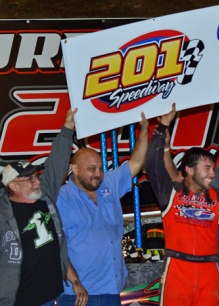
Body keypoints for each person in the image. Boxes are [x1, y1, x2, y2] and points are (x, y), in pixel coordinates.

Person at [144, 104, 219, 306]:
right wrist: (162, 127)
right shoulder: (171, 192)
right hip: (177, 270)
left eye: (213, 168)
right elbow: (151, 164)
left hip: (209, 271)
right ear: (190, 170)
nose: (213, 173)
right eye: (207, 168)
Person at [56, 113, 149, 306]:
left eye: (100, 168)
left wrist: (144, 130)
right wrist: (74, 281)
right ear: (75, 169)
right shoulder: (61, 197)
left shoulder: (109, 183)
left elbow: (136, 163)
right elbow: (57, 247)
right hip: (77, 294)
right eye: (91, 169)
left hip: (111, 290)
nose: (98, 174)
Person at [0, 109, 87, 306]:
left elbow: (55, 165)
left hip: (49, 298)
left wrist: (67, 129)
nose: (36, 182)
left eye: (36, 176)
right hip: (16, 301)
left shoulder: (44, 197)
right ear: (13, 186)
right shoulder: (2, 214)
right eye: (29, 179)